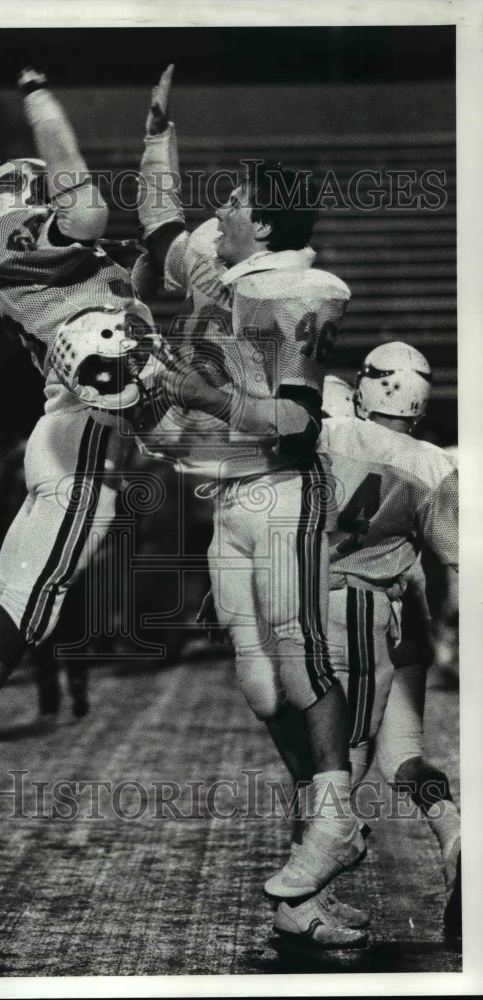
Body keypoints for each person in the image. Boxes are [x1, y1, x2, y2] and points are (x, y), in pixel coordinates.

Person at [0, 69, 161, 829]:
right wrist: (44, 102)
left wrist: (157, 143)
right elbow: (83, 207)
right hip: (83, 433)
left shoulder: (50, 265)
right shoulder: (5, 237)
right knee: (28, 602)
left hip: (69, 429)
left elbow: (137, 263)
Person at [135, 65, 360, 906]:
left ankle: (334, 816)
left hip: (278, 491)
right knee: (261, 685)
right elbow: (158, 224)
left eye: (231, 201)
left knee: (300, 666)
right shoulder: (226, 267)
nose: (217, 210)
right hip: (224, 499)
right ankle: (322, 825)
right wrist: (157, 132)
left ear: (261, 225)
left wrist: (199, 394)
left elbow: (296, 423)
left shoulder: (290, 293)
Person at [236, 346, 459, 945]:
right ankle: (444, 837)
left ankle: (306, 899)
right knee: (376, 757)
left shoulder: (327, 431)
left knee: (323, 762)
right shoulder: (433, 463)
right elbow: (457, 552)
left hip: (310, 603)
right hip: (377, 606)